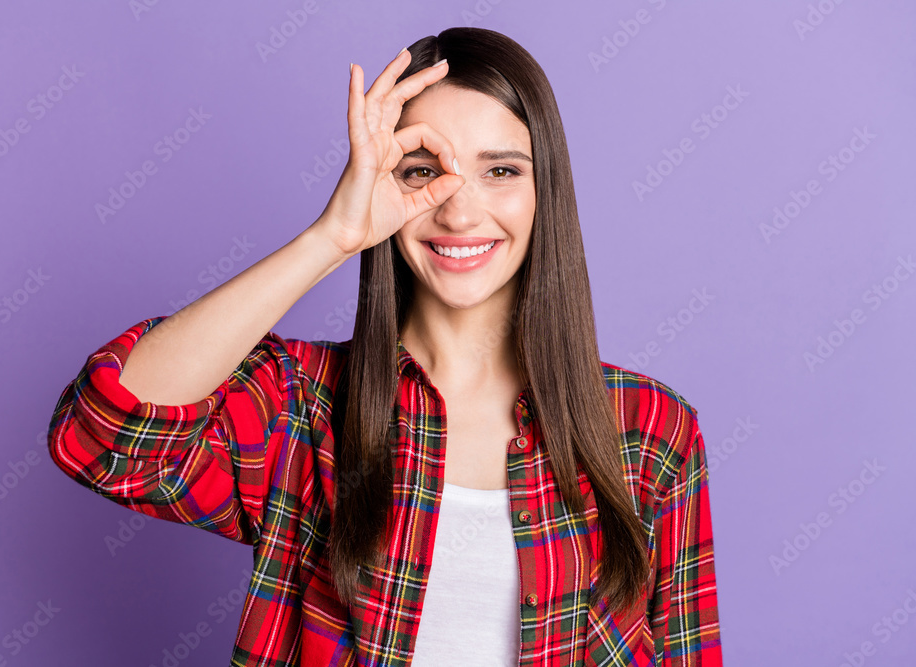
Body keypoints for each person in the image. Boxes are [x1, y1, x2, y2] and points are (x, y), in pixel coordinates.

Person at [47, 26, 722, 666]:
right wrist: (332, 238)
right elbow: (104, 438)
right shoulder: (303, 406)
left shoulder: (651, 429)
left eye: (502, 171)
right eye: (425, 169)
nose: (459, 211)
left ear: (546, 190)